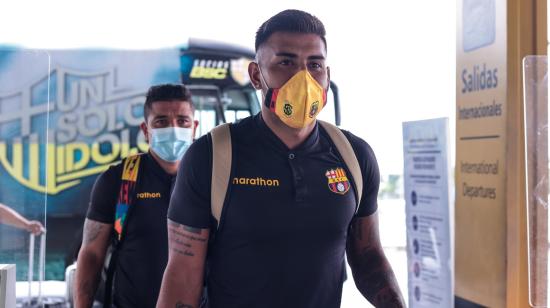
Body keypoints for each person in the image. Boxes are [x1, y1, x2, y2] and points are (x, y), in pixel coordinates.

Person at [157, 10, 405, 308]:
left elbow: (368, 257)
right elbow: (183, 276)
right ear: (255, 75)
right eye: (285, 62)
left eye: (315, 64)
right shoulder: (210, 156)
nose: (303, 78)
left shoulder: (354, 156)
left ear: (328, 75)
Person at [74, 84, 198, 308]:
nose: (173, 128)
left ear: (194, 127)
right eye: (161, 121)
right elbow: (91, 254)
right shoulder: (119, 180)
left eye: (182, 121)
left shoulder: (209, 179)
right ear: (146, 129)